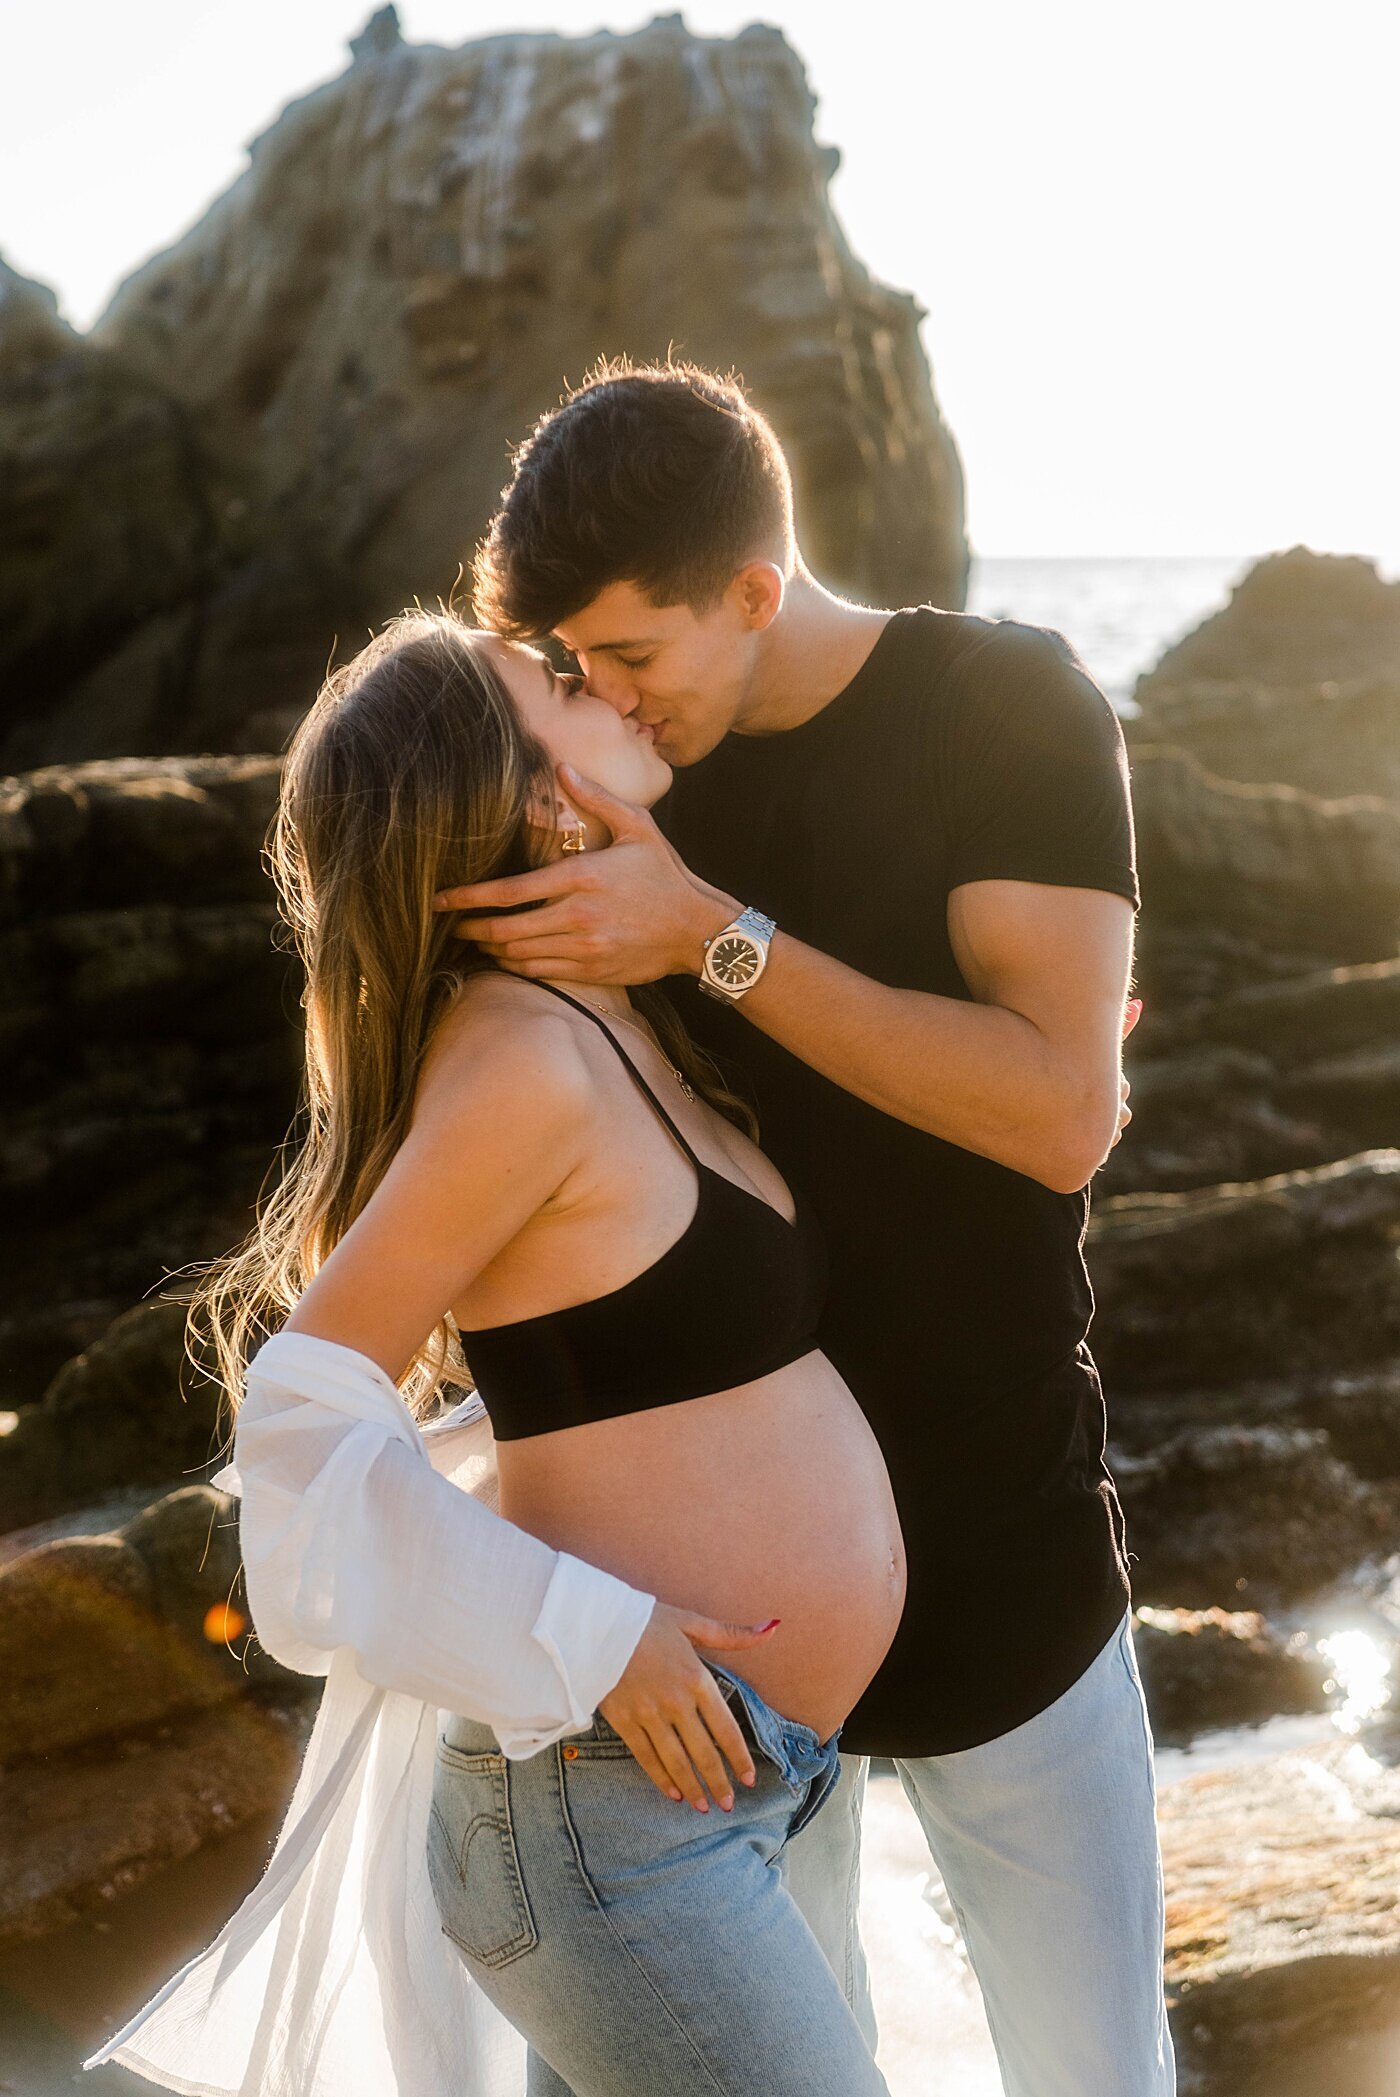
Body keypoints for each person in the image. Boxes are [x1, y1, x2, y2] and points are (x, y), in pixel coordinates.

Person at [434, 358, 1177, 2095]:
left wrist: (709, 934)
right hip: (732, 1617)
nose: (605, 696)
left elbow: (1064, 1110)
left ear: (754, 590)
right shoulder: (614, 772)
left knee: (1098, 2073)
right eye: (570, 665)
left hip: (1004, 1542)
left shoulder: (1007, 706)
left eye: (633, 654)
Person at [86, 606, 905, 2097]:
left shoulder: (612, 1011)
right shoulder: (521, 1054)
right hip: (614, 1830)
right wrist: (597, 1631)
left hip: (732, 1785)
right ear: (532, 791)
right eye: (558, 682)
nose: (609, 691)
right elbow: (299, 1427)